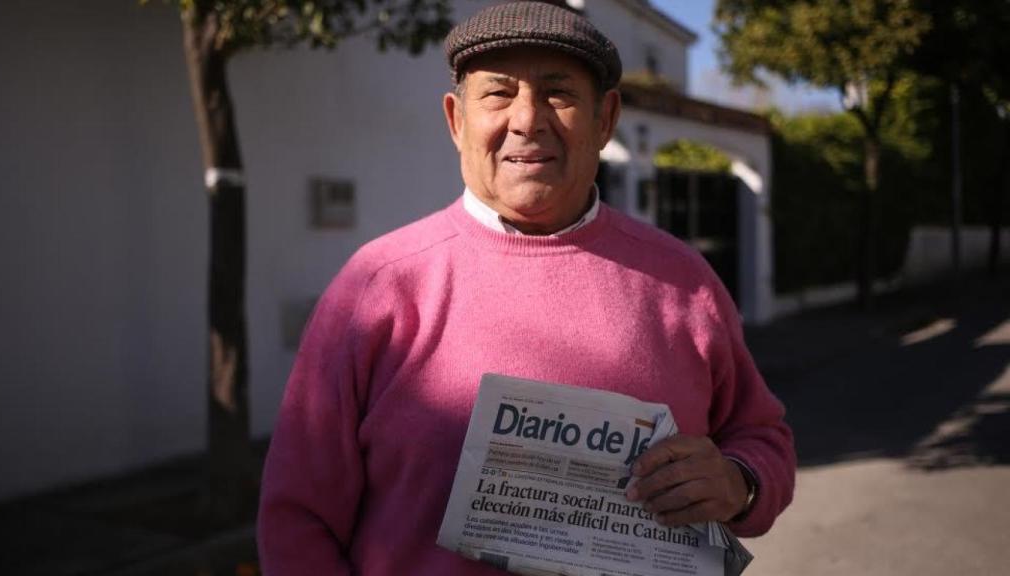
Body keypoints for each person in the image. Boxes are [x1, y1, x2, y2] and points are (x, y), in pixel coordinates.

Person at [257, 2, 795, 574]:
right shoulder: (379, 286)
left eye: (558, 93)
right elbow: (297, 522)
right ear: (456, 121)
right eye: (498, 93)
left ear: (606, 119)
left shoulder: (683, 281)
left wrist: (740, 483)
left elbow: (762, 438)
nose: (527, 119)